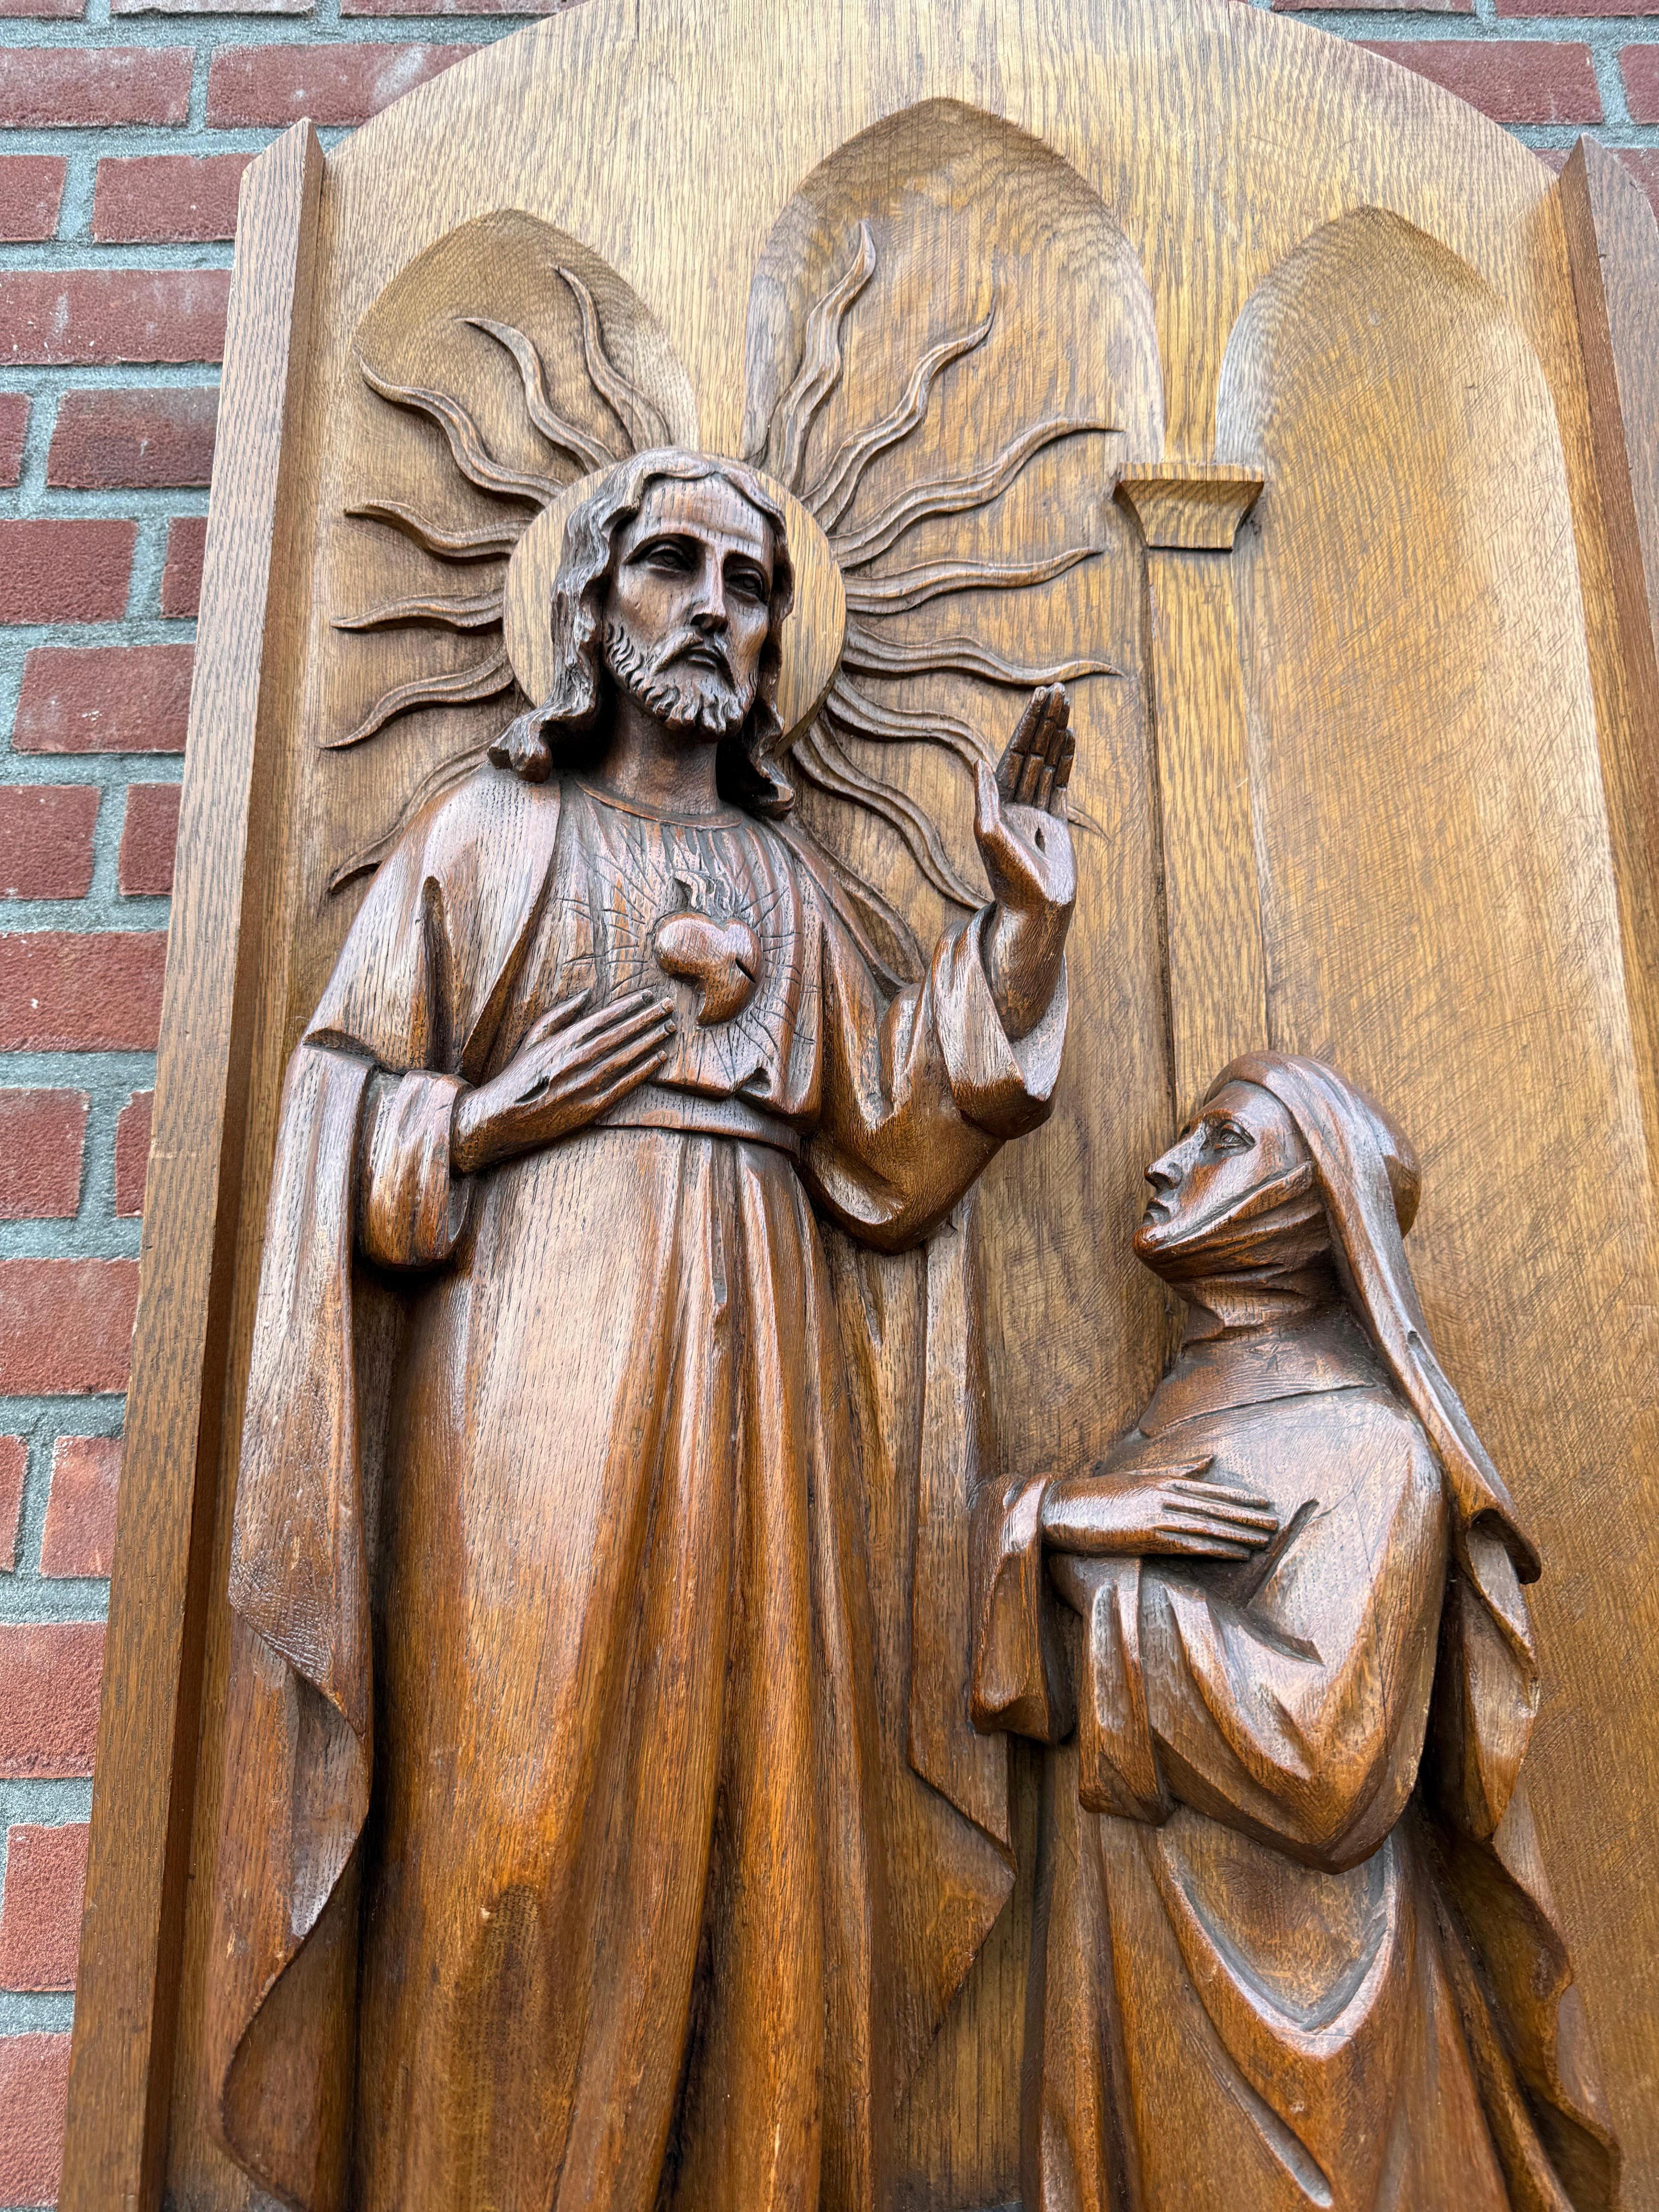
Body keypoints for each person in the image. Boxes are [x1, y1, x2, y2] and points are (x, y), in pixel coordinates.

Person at [206, 448, 1077, 2212]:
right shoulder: (484, 840)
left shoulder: (785, 884)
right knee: (510, 1828)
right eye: (669, 565)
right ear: (592, 606)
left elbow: (899, 1139)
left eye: (747, 586)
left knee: (759, 1831)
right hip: (528, 1386)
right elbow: (331, 1119)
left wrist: (1023, 927)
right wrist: (481, 1119)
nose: (709, 611)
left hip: (767, 1393)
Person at [972, 1053, 1619, 2212]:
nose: (1165, 1165)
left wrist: (1091, 1575)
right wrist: (1048, 1519)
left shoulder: (1371, 1448)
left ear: (1311, 1207)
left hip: (1302, 1997)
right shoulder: (1156, 1436)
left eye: (1221, 1142)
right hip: (1139, 1965)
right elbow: (1045, 1696)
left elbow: (1324, 1766)